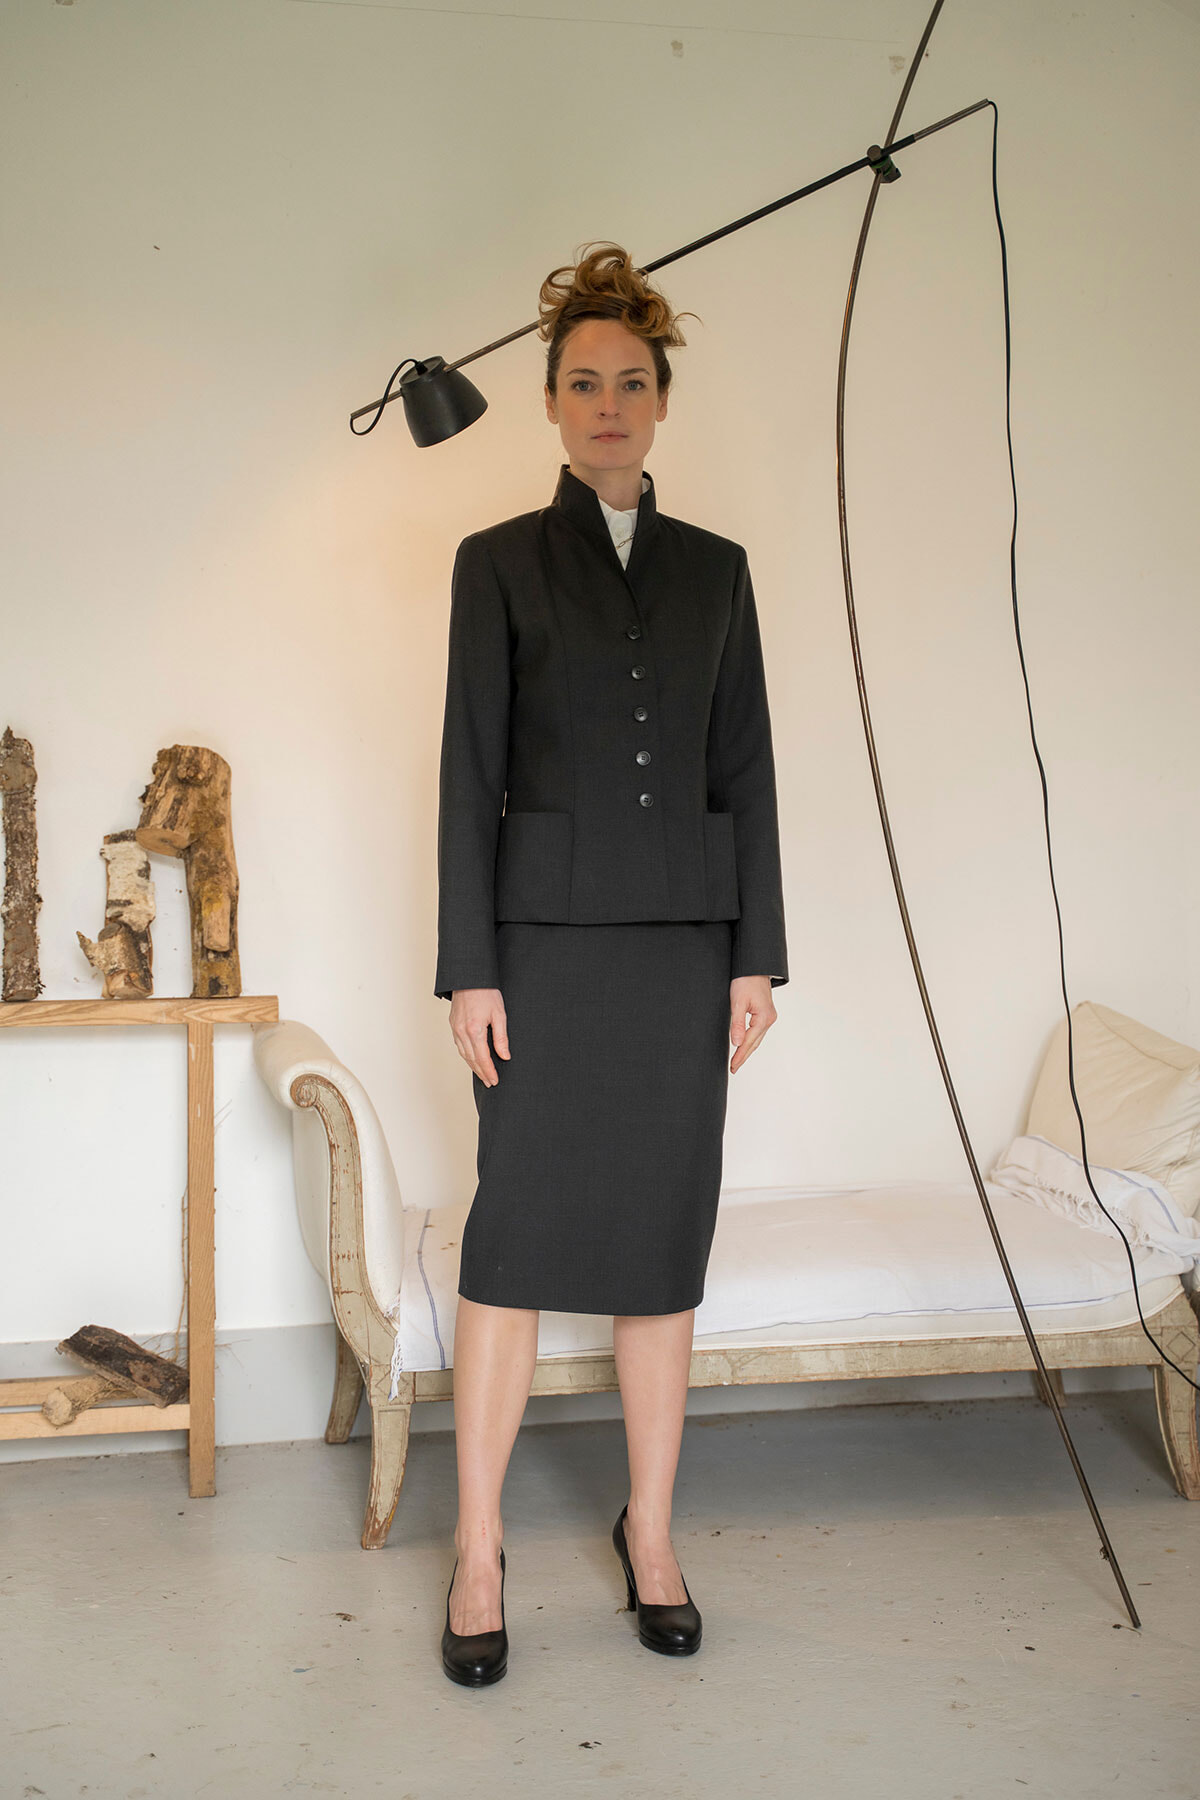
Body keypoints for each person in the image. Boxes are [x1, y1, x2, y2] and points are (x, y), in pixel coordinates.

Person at [433, 242, 788, 1685]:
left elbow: (745, 765)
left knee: (659, 1249)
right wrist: (470, 966)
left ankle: (654, 1534)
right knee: (510, 1243)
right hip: (538, 953)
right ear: (549, 402)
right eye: (583, 383)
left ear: (660, 400)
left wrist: (756, 955)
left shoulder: (719, 573)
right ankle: (476, 1545)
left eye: (630, 383)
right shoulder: (497, 565)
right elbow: (467, 772)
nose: (607, 405)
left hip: (681, 956)